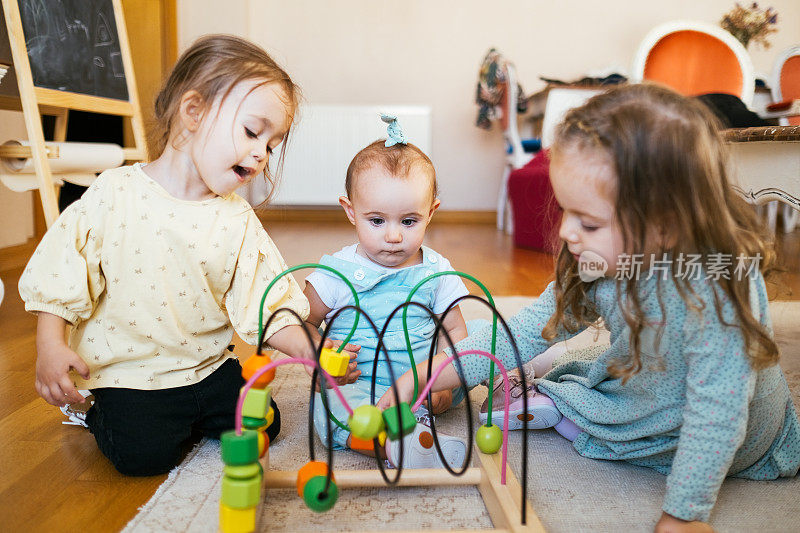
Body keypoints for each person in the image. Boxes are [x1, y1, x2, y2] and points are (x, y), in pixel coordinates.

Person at [378, 84, 800, 531]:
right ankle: (565, 390)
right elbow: (521, 331)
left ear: (666, 222)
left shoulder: (716, 289)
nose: (566, 233)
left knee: (596, 397)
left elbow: (718, 413)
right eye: (565, 211)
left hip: (741, 435)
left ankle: (563, 401)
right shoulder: (595, 261)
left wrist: (683, 515)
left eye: (590, 221)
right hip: (652, 387)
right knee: (591, 373)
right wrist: (427, 373)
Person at [18, 35, 358, 477]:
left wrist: (314, 351)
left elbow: (268, 306)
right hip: (130, 376)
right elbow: (63, 272)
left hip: (207, 369)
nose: (260, 153)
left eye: (271, 145)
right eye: (253, 131)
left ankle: (190, 415)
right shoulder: (114, 193)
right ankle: (98, 412)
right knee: (143, 457)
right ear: (193, 112)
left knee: (264, 423)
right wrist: (49, 343)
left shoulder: (236, 219)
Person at [303, 116, 469, 468]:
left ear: (430, 213)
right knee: (328, 405)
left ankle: (437, 407)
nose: (393, 236)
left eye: (409, 221)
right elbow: (305, 320)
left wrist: (439, 383)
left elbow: (455, 332)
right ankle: (390, 446)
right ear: (351, 212)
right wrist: (320, 351)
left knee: (480, 345)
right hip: (360, 383)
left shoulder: (437, 271)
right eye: (376, 221)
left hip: (423, 383)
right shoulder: (335, 272)